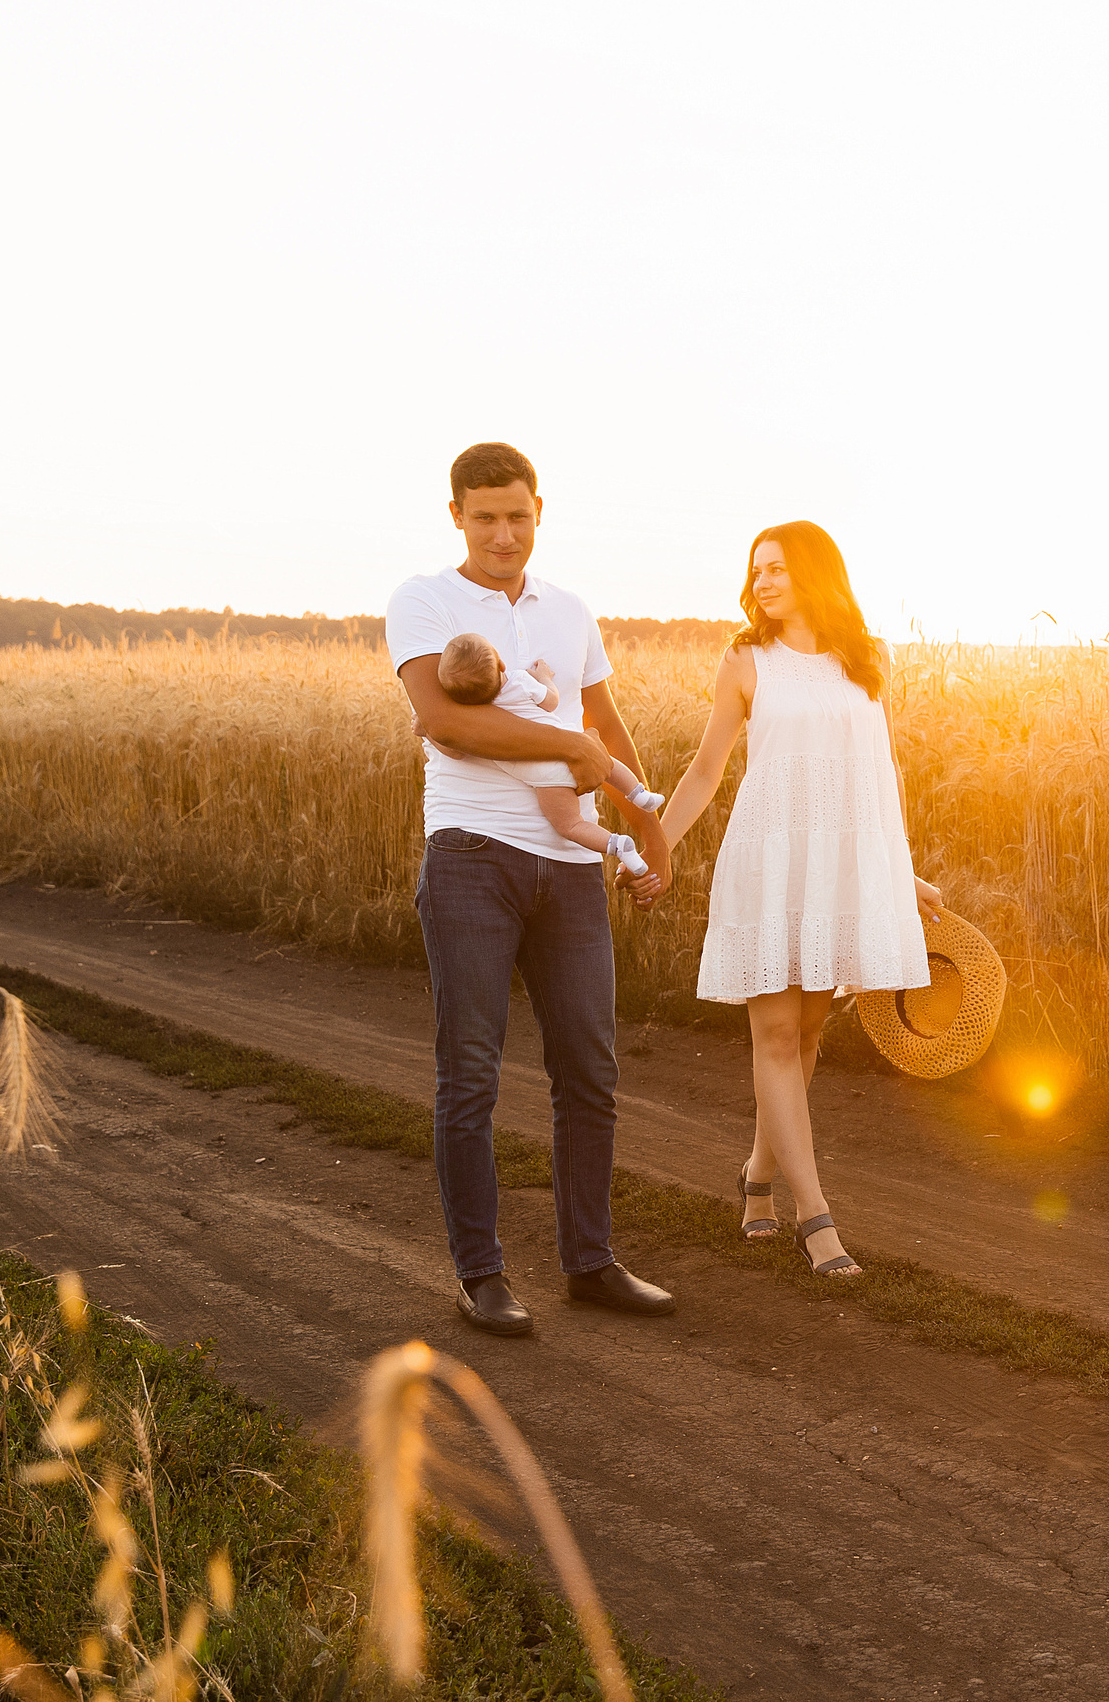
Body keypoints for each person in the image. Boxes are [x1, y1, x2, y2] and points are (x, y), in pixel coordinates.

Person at [386, 441, 677, 1335]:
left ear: (539, 510)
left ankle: (590, 1261)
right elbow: (445, 722)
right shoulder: (425, 601)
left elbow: (609, 729)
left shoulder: (572, 612)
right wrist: (577, 754)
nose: (503, 533)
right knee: (469, 1073)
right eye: (485, 518)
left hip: (573, 869)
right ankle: (482, 1274)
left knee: (589, 1068)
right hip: (473, 854)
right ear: (457, 518)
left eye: (517, 515)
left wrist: (652, 837)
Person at [655, 520, 945, 1279]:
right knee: (777, 1037)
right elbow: (705, 769)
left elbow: (881, 772)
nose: (763, 581)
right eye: (756, 570)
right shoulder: (746, 660)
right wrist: (658, 841)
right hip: (770, 859)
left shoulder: (864, 661)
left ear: (814, 572)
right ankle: (817, 1219)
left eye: (777, 567)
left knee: (808, 1032)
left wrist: (898, 869)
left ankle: (756, 1172)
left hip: (841, 865)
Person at [427, 633, 665, 874]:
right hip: (574, 745)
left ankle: (618, 845)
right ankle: (639, 794)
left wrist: (427, 731)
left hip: (549, 780)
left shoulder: (476, 719)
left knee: (571, 825)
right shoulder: (519, 681)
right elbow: (551, 701)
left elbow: (454, 751)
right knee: (608, 765)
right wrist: (544, 678)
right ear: (501, 664)